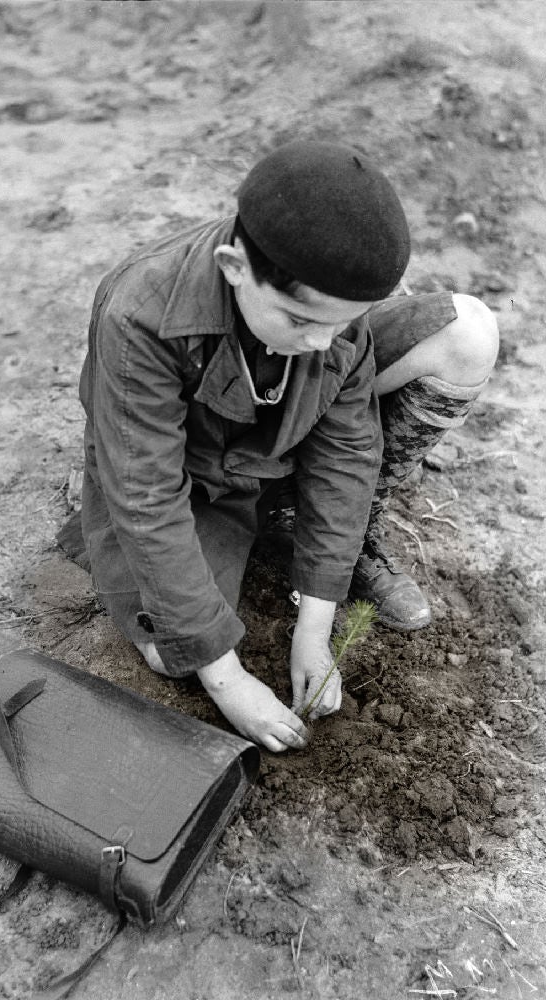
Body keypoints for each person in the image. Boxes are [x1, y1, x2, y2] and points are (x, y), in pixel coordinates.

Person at [66, 141, 498, 753]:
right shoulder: (141, 315)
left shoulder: (324, 322)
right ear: (235, 265)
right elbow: (147, 497)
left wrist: (314, 628)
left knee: (470, 332)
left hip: (276, 448)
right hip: (193, 477)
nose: (325, 345)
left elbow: (347, 454)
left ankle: (308, 532)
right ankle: (259, 529)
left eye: (343, 324)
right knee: (174, 651)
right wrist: (230, 681)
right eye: (300, 321)